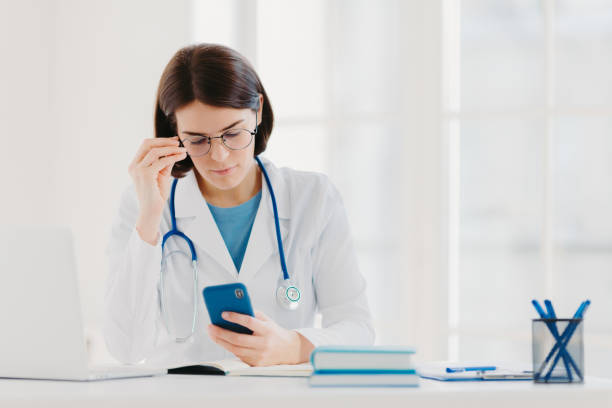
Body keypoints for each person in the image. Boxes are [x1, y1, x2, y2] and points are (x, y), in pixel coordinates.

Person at [104, 44, 374, 367]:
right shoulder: (144, 203)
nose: (218, 156)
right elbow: (126, 349)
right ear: (174, 132)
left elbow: (357, 328)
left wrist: (295, 346)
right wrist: (149, 218)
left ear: (257, 111)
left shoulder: (313, 199)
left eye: (232, 134)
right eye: (198, 140)